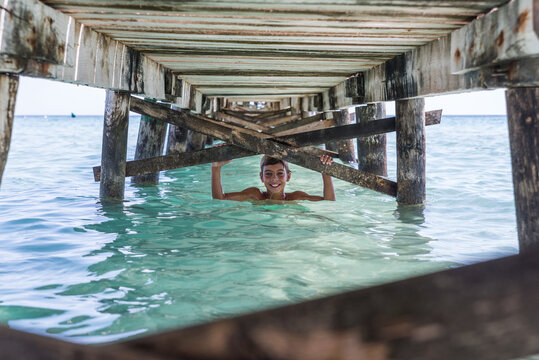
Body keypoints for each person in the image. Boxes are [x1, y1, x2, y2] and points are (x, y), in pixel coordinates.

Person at [211, 155, 335, 201]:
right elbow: (219, 198)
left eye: (280, 173)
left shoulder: (296, 197)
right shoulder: (255, 195)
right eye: (268, 174)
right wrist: (216, 168)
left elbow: (329, 202)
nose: (274, 178)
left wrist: (326, 172)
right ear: (261, 177)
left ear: (288, 176)